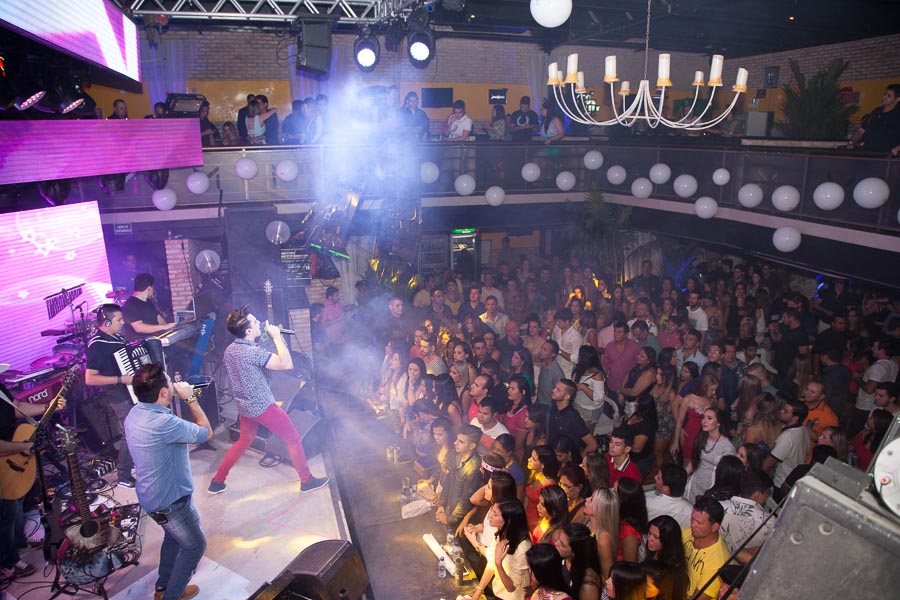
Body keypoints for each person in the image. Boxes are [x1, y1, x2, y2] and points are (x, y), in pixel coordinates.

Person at [208, 307, 328, 494]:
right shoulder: (252, 353)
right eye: (255, 322)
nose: (260, 323)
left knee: (244, 440)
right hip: (262, 406)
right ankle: (307, 480)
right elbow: (286, 364)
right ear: (248, 331)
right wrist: (277, 337)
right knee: (293, 438)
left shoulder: (230, 350)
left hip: (244, 406)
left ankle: (217, 481)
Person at [125, 363, 211, 600]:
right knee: (195, 546)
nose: (173, 385)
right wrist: (190, 398)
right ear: (163, 392)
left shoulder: (135, 413)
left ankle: (162, 588)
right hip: (171, 501)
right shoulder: (164, 424)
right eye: (170, 382)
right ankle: (172, 595)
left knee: (172, 537)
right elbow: (206, 433)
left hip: (150, 497)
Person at [0, 375, 66, 581]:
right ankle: (7, 562)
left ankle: (19, 543)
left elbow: (16, 407)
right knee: (6, 514)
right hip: (6, 455)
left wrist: (48, 406)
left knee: (17, 503)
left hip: (11, 458)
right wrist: (22, 446)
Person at [84, 304, 138, 487]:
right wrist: (120, 379)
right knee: (129, 432)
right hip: (117, 393)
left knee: (136, 428)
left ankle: (135, 462)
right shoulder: (97, 345)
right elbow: (90, 378)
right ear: (107, 322)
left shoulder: (115, 337)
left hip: (128, 390)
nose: (123, 323)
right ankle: (123, 475)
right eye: (118, 320)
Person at [464, 498, 532, 600]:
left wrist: (498, 563)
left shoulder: (523, 547)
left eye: (495, 514)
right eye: (492, 511)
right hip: (498, 592)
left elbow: (511, 587)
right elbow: (491, 563)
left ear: (508, 520)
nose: (490, 516)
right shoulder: (501, 534)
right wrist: (477, 593)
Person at [718, 469, 775, 564]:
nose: (766, 497)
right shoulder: (769, 522)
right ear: (757, 494)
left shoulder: (718, 508)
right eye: (766, 494)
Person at [437, 424, 484, 530]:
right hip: (449, 509)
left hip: (459, 519)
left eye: (461, 442)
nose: (455, 443)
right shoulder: (457, 455)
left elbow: (465, 500)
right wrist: (442, 504)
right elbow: (448, 482)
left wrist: (450, 519)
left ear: (472, 446)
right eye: (457, 439)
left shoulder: (474, 468)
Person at [685, 407, 736, 502]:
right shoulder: (702, 437)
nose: (704, 421)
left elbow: (728, 477)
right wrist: (682, 475)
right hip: (694, 484)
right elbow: (694, 461)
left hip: (711, 489)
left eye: (709, 418)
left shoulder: (727, 447)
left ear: (718, 423)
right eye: (703, 417)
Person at [682, 496, 729, 600]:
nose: (693, 525)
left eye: (699, 523)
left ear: (714, 527)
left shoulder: (718, 563)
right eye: (692, 519)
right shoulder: (688, 532)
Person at [763, 398, 810, 499]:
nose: (781, 411)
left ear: (795, 418)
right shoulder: (803, 429)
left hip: (780, 483)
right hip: (792, 481)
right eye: (782, 409)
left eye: (786, 411)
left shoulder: (788, 437)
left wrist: (756, 476)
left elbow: (770, 461)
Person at [552, 522, 603, 600]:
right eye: (558, 539)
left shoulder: (588, 583)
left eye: (562, 545)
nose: (556, 544)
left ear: (574, 553)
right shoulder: (561, 558)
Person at [644, 515, 690, 600]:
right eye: (649, 533)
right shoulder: (653, 554)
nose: (650, 539)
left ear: (667, 540)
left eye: (656, 537)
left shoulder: (671, 571)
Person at [549, 379, 599, 456]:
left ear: (567, 396)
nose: (553, 390)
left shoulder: (572, 416)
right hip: (554, 453)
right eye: (555, 387)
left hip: (568, 458)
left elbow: (593, 444)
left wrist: (580, 460)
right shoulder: (554, 406)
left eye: (558, 390)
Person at [849, 83, 900, 155]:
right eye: (884, 94)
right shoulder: (876, 111)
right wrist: (851, 142)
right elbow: (861, 131)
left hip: (886, 156)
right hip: (867, 153)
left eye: (889, 96)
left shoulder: (897, 115)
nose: (884, 97)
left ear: (897, 99)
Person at [122, 273, 172, 341]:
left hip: (156, 339)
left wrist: (170, 329)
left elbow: (158, 318)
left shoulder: (148, 302)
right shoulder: (131, 304)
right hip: (143, 344)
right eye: (153, 287)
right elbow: (139, 328)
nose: (153, 290)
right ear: (149, 288)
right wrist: (163, 327)